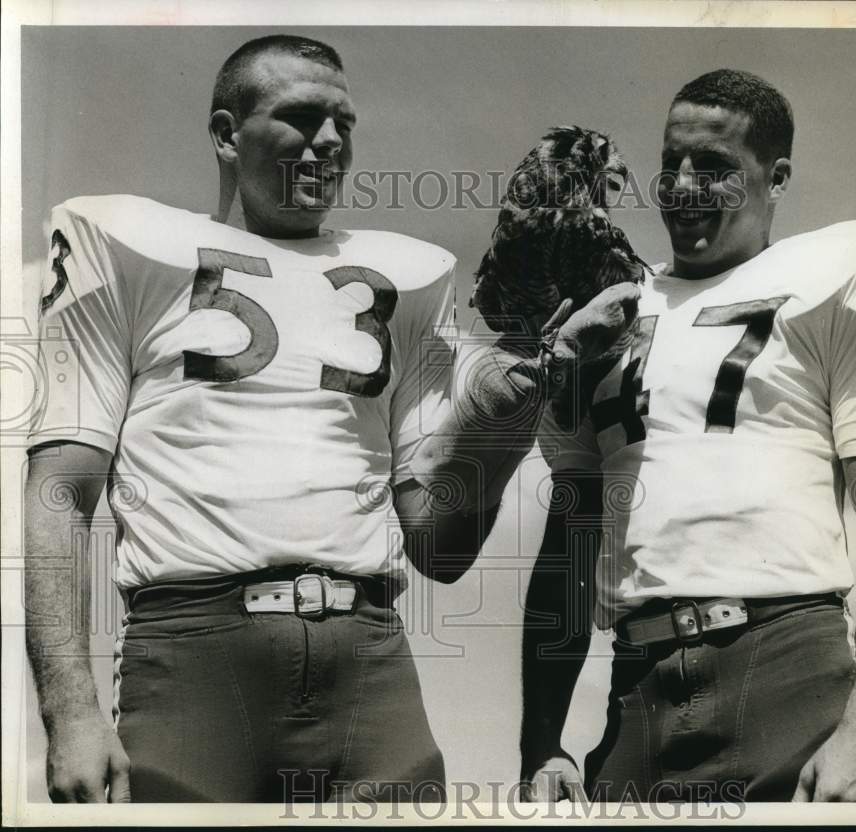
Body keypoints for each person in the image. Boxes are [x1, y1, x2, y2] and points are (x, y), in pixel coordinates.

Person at [24, 34, 636, 804]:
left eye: (344, 123)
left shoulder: (410, 276)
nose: (329, 142)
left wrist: (531, 393)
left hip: (368, 660)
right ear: (224, 133)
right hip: (195, 656)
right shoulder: (123, 239)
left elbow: (439, 546)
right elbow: (60, 493)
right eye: (302, 118)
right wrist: (70, 711)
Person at [520, 68, 856, 803]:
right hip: (636, 692)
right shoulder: (608, 309)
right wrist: (540, 743)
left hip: (787, 666)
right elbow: (570, 533)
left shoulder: (836, 270)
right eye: (671, 165)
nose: (682, 186)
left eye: (714, 169)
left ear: (775, 178)